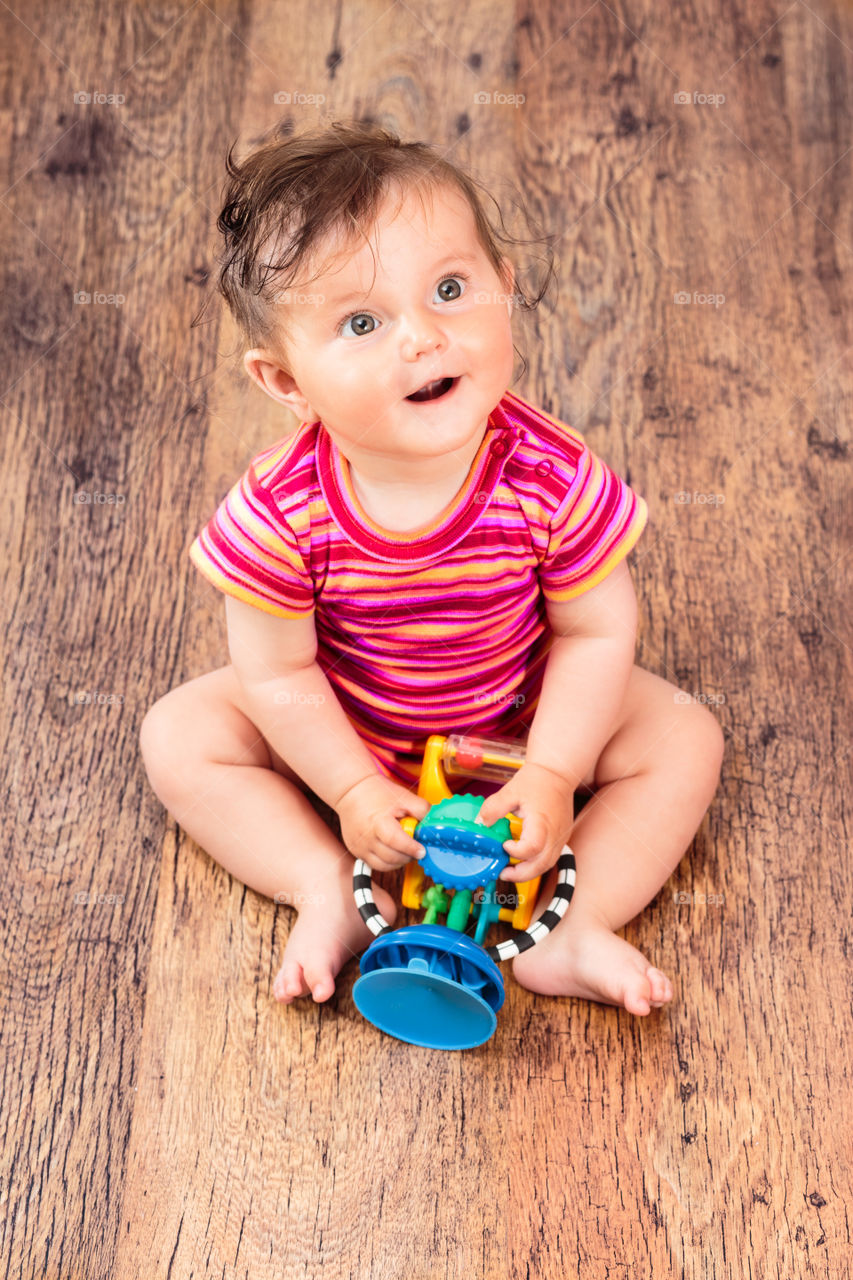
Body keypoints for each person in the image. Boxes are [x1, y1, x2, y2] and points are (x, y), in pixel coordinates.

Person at [140, 121, 724, 1017]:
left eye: (450, 289)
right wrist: (349, 788)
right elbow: (279, 672)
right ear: (286, 381)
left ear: (505, 290)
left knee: (684, 738)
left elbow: (595, 631)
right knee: (180, 737)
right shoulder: (277, 513)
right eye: (362, 322)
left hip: (521, 715)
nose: (422, 336)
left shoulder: (549, 476)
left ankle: (572, 923)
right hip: (347, 721)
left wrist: (555, 771)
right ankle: (326, 883)